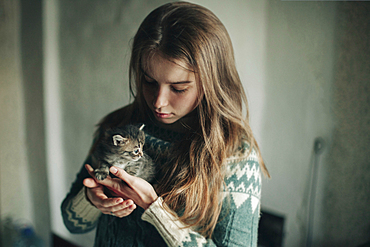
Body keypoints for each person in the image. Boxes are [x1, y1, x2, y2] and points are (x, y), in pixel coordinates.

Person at [61, 2, 270, 246]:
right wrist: (90, 198)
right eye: (149, 82)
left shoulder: (234, 154)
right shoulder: (120, 127)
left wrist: (155, 209)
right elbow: (71, 223)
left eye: (178, 88)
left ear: (212, 82)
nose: (159, 102)